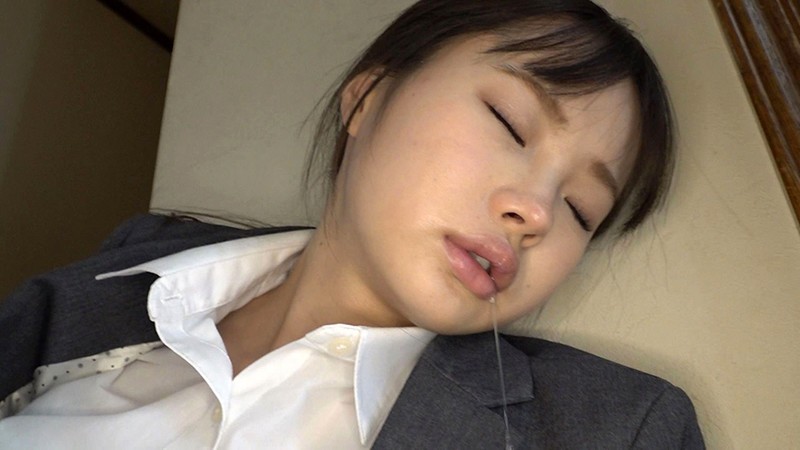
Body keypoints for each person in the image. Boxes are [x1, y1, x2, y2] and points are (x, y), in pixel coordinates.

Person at [0, 0, 704, 448]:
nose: (538, 212)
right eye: (510, 123)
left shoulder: (621, 429)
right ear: (368, 98)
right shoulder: (133, 268)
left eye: (583, 210)